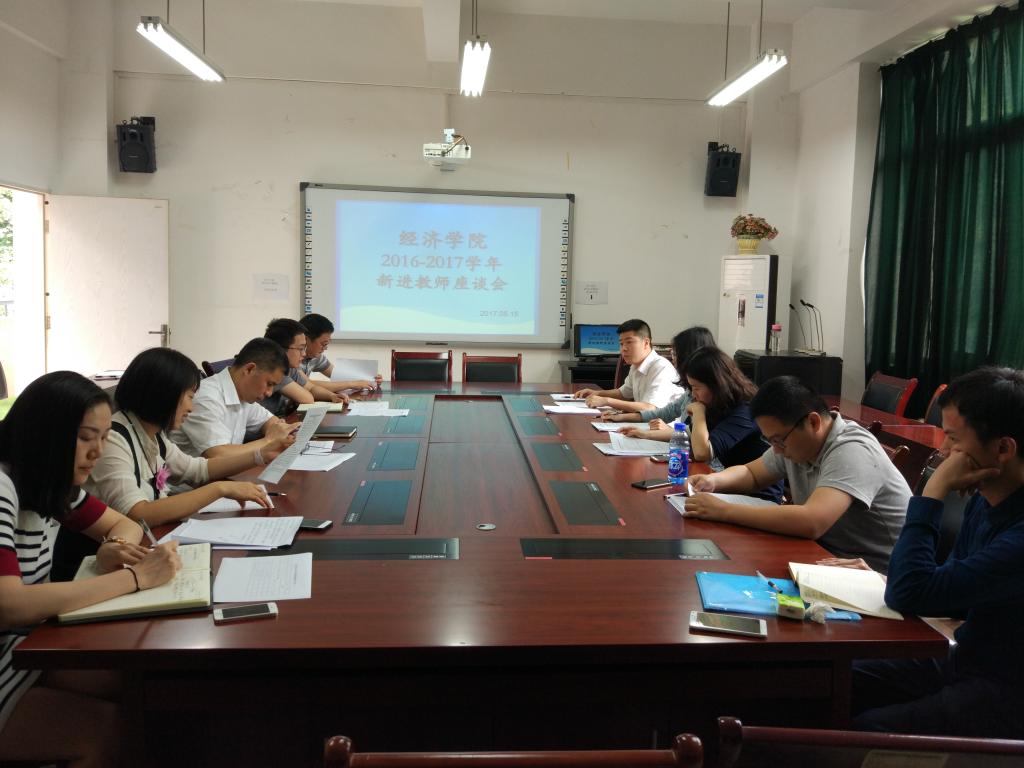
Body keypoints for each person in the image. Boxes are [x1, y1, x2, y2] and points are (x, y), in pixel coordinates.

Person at [0, 371, 181, 767]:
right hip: (12, 651)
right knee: (106, 730)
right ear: (45, 435)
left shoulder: (50, 484)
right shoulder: (2, 487)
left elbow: (125, 525)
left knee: (138, 686)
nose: (97, 452)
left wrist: (111, 548)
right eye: (85, 438)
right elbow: (9, 605)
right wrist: (134, 578)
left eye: (103, 438)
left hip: (24, 646)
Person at [851, 367, 1024, 738]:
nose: (943, 450)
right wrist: (883, 577)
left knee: (871, 729)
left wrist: (933, 490)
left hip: (1006, 690)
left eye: (953, 439)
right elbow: (945, 596)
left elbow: (910, 593)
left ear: (1003, 449)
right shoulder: (987, 501)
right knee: (836, 677)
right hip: (966, 661)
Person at [51, 349, 276, 580]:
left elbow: (196, 469)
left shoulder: (152, 435)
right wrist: (219, 488)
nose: (191, 407)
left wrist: (259, 455)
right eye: (189, 396)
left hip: (135, 556)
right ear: (164, 394)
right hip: (92, 572)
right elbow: (138, 513)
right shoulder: (114, 438)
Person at [683, 376, 909, 572]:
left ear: (813, 422)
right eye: (771, 441)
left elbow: (812, 521)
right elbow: (752, 474)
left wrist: (725, 510)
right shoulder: (798, 442)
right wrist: (712, 481)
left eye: (778, 440)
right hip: (824, 556)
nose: (776, 450)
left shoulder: (852, 449)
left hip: (876, 575)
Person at [623, 346, 783, 503]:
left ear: (716, 385)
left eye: (696, 388)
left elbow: (702, 453)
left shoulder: (744, 410)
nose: (693, 394)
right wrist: (644, 434)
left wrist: (699, 413)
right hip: (729, 486)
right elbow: (687, 434)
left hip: (757, 496)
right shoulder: (717, 404)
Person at [170, 337, 299, 460]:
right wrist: (269, 440)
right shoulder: (206, 397)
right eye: (269, 384)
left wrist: (281, 431)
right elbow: (218, 456)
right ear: (249, 369)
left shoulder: (242, 393)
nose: (269, 393)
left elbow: (270, 421)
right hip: (194, 476)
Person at [603, 326, 713, 430]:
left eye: (675, 353)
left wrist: (670, 430)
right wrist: (621, 417)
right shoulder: (690, 391)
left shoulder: (661, 367)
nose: (673, 358)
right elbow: (666, 412)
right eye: (621, 344)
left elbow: (697, 435)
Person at [574, 319, 683, 412]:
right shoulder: (635, 365)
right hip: (647, 424)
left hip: (668, 428)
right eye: (621, 344)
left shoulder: (661, 367)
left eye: (629, 342)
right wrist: (597, 393)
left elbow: (650, 408)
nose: (623, 349)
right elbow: (623, 393)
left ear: (646, 343)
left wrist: (607, 401)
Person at [260, 318, 346, 416]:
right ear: (280, 349)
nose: (304, 353)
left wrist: (332, 396)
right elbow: (307, 398)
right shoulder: (272, 369)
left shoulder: (291, 368)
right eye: (300, 349)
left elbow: (311, 388)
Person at [299, 313, 382, 392]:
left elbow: (337, 375)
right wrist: (352, 384)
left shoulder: (316, 357)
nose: (325, 348)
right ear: (306, 339)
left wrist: (369, 379)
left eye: (327, 344)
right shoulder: (293, 358)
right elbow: (307, 384)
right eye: (323, 344)